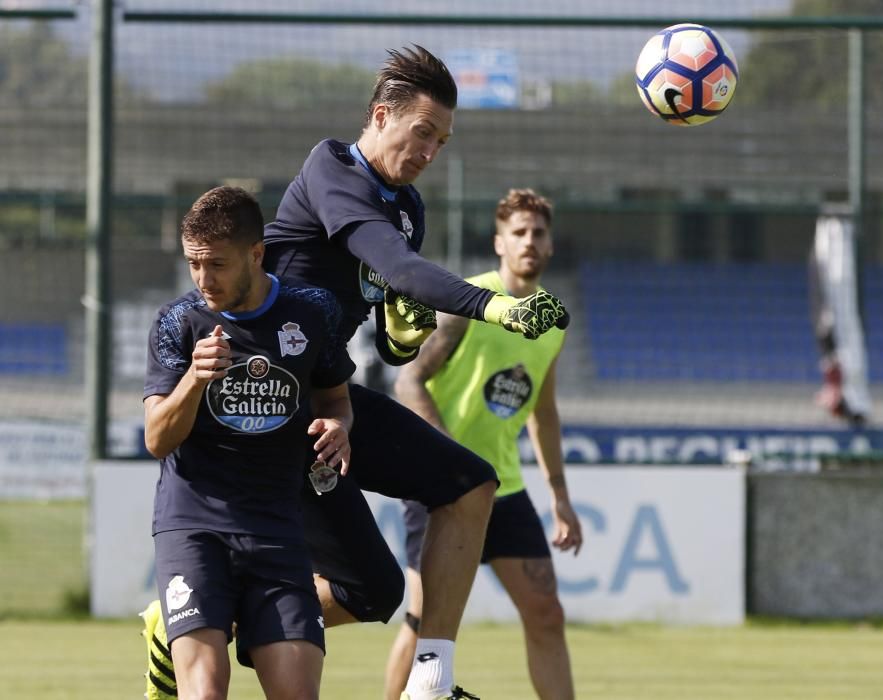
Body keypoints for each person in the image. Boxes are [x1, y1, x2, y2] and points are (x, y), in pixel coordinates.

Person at [142, 44, 569, 700]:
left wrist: (403, 335)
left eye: (443, 141)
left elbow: (387, 322)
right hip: (264, 404)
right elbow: (399, 272)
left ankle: (428, 678)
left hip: (324, 406)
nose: (430, 152)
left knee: (435, 525)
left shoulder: (408, 209)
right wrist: (494, 306)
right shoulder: (331, 168)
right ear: (380, 115)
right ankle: (189, 620)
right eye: (422, 132)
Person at [142, 185, 355, 700]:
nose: (202, 279)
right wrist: (195, 379)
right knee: (206, 692)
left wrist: (339, 427)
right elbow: (156, 438)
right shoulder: (179, 322)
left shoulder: (312, 312)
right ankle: (165, 635)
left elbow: (335, 398)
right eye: (193, 263)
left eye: (215, 264)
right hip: (194, 525)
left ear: (256, 254)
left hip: (277, 529)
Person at [383, 188, 583, 700]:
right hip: (443, 490)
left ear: (551, 245)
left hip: (505, 489)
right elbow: (408, 381)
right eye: (519, 233)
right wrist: (447, 459)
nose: (529, 242)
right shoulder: (469, 302)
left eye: (538, 233)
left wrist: (559, 496)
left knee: (546, 612)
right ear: (500, 243)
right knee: (425, 619)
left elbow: (542, 410)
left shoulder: (551, 321)